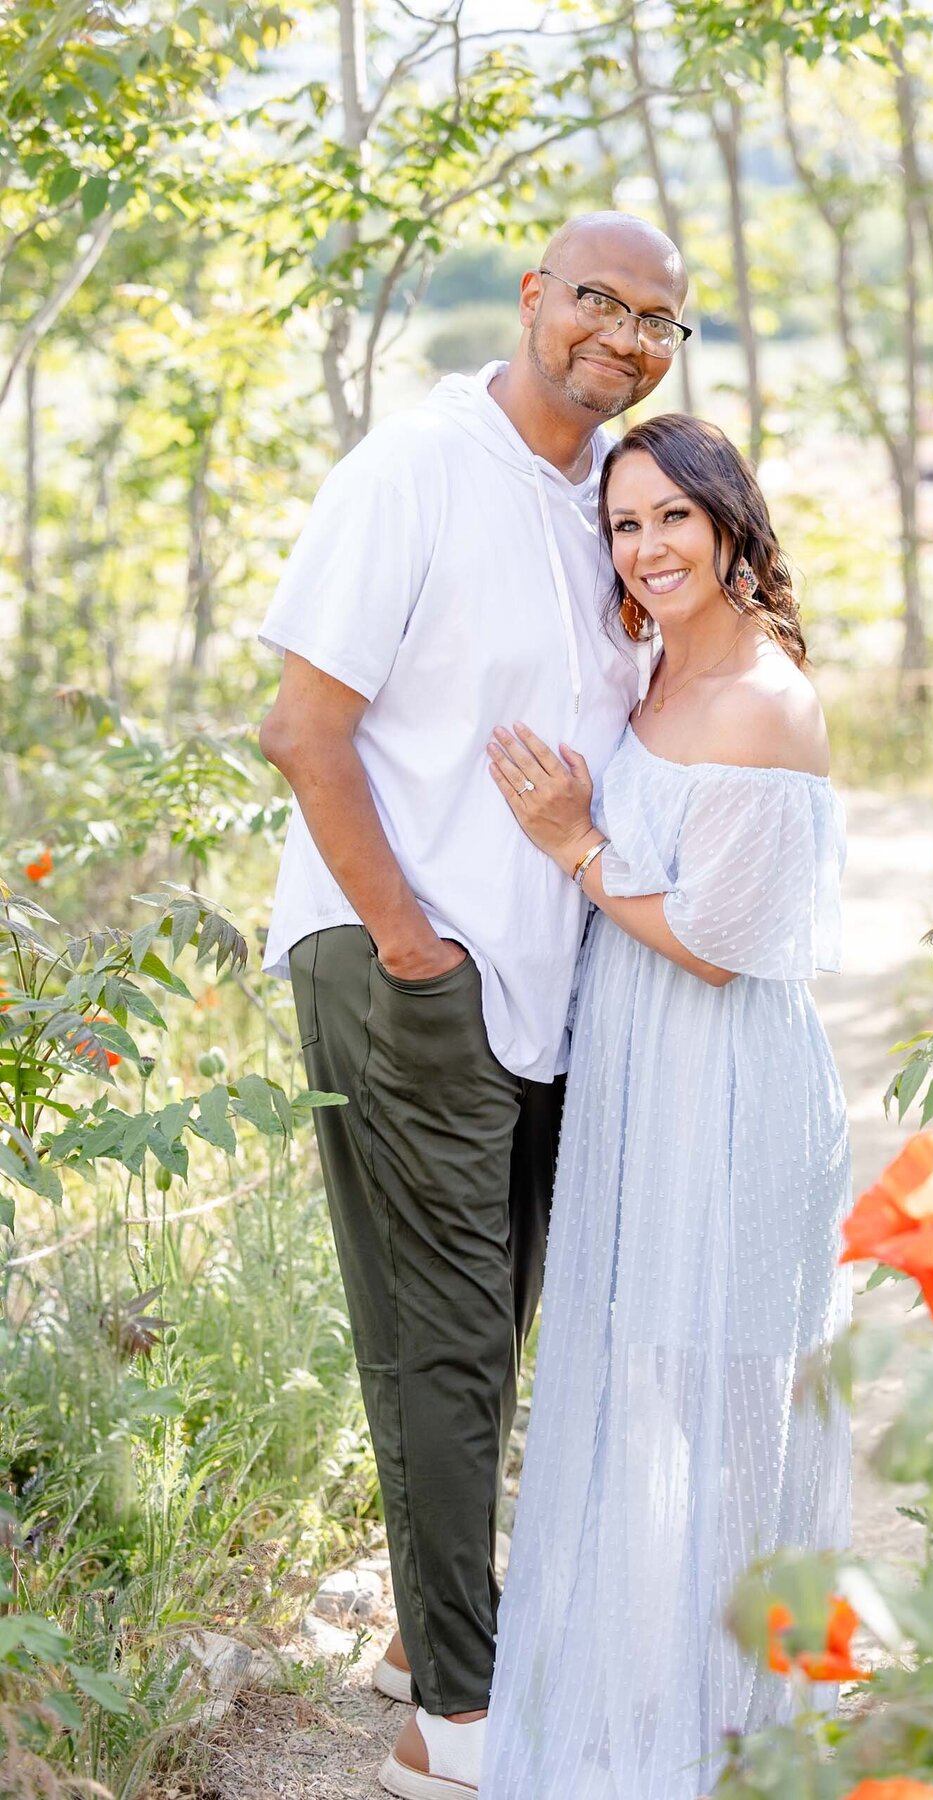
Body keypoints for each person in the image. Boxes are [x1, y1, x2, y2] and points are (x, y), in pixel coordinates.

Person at [257, 214, 689, 1800]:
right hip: (404, 952)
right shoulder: (415, 470)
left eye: (658, 321)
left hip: (542, 976)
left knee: (489, 1331)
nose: (625, 335)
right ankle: (457, 1713)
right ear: (533, 300)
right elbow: (302, 726)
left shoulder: (605, 500)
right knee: (448, 1340)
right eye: (598, 298)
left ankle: (412, 1636)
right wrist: (407, 938)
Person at [481, 414, 852, 1800]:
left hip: (735, 1089)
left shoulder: (766, 699)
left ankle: (752, 1728)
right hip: (647, 1080)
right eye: (624, 526)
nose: (645, 549)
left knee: (734, 1405)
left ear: (729, 526)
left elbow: (724, 937)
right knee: (663, 1399)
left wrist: (574, 845)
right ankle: (691, 1695)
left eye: (671, 520)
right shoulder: (644, 678)